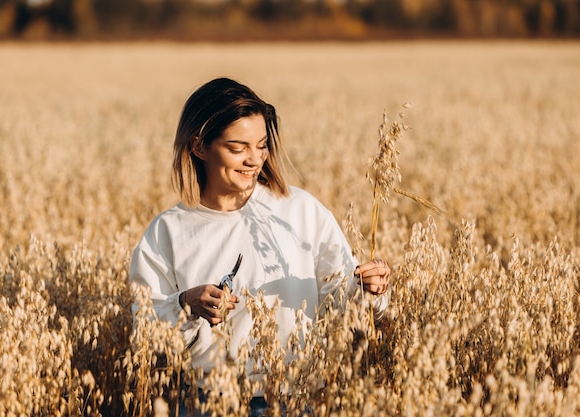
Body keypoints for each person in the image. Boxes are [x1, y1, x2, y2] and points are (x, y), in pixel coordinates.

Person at [130, 77, 391, 416]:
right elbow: (144, 330)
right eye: (237, 148)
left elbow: (346, 303)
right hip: (207, 403)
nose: (254, 159)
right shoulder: (168, 231)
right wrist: (185, 303)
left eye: (262, 145)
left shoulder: (299, 210)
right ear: (198, 147)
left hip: (296, 398)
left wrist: (370, 289)